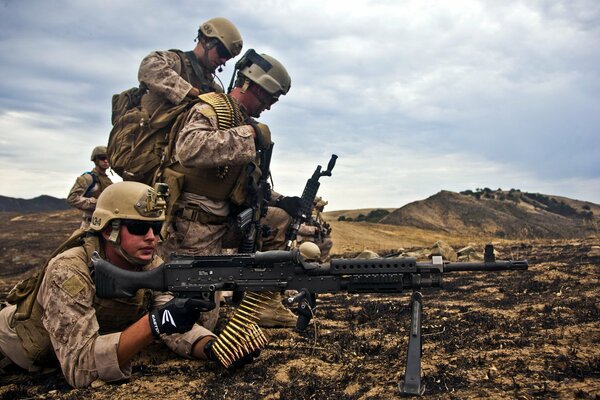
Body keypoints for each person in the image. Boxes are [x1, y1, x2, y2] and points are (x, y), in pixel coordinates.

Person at [0, 182, 249, 387]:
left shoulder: (150, 264)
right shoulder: (69, 270)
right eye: (140, 227)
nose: (152, 237)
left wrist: (212, 347)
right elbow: (81, 370)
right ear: (110, 230)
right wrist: (152, 324)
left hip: (82, 343)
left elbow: (171, 321)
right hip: (18, 350)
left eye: (156, 226)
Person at [157, 49, 302, 328]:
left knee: (277, 221)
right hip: (193, 226)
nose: (270, 106)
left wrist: (282, 200)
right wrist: (248, 135)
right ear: (250, 85)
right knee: (198, 322)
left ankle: (263, 305)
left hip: (226, 221)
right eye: (268, 98)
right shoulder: (211, 109)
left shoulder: (242, 121)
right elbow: (189, 148)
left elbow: (247, 183)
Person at [138, 17, 243, 116]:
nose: (223, 60)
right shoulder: (175, 62)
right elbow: (149, 67)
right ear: (206, 40)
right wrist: (191, 92)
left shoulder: (214, 89)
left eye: (228, 57)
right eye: (222, 52)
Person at [67, 146, 113, 229]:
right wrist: (97, 203)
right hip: (89, 225)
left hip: (106, 224)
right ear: (96, 160)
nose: (106, 161)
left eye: (108, 158)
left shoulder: (108, 180)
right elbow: (72, 198)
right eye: (102, 158)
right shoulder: (88, 178)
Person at [296, 196, 333, 262]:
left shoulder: (311, 216)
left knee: (328, 242)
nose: (314, 208)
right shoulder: (301, 214)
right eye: (314, 205)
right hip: (304, 243)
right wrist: (314, 230)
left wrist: (323, 232)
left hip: (313, 241)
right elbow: (299, 228)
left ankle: (320, 263)